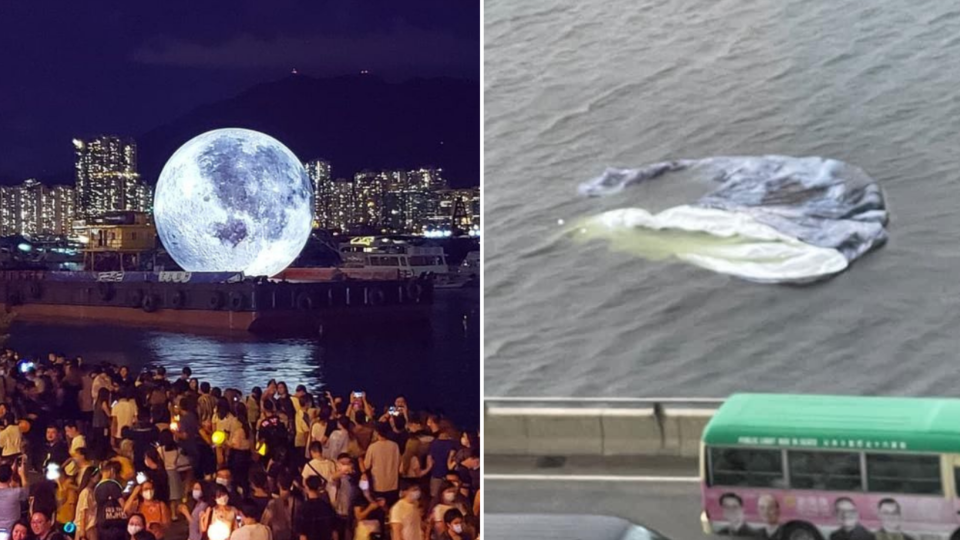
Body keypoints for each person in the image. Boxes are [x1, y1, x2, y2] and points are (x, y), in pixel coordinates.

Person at [363, 425, 400, 506]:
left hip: (378, 484)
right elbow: (398, 462)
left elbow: (366, 465)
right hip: (393, 483)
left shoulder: (373, 447)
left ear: (377, 433)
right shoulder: (395, 446)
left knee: (380, 509)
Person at [95, 461, 129, 540]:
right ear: (112, 471)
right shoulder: (113, 485)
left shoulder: (97, 487)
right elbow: (124, 506)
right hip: (115, 523)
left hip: (102, 522)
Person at [423, 421, 458, 498]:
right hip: (449, 476)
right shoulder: (453, 444)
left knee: (435, 498)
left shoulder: (434, 443)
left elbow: (429, 459)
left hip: (436, 475)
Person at [294, 475, 335, 540]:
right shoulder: (327, 507)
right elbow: (334, 532)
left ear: (307, 488)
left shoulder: (303, 509)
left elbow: (302, 535)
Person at [352, 474, 386, 540]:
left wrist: (383, 506)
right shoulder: (358, 498)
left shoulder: (376, 496)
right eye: (362, 480)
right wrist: (370, 508)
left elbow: (387, 512)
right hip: (364, 530)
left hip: (377, 529)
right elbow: (358, 516)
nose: (363, 482)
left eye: (365, 480)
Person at [0, 460, 29, 531]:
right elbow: (26, 491)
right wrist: (22, 474)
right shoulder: (16, 493)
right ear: (10, 478)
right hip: (12, 530)